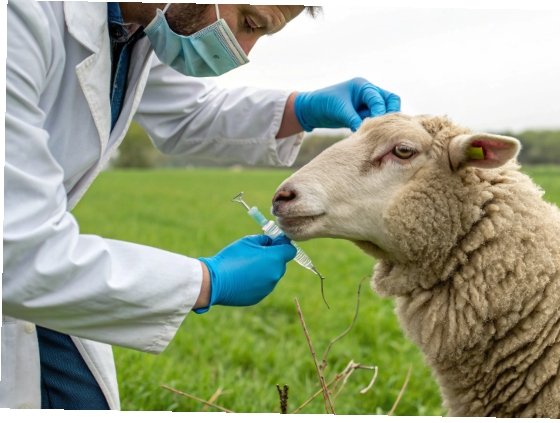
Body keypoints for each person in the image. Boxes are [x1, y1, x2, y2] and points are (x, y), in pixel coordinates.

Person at [3, 1, 401, 410]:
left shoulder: (135, 28)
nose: (244, 51)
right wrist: (207, 281)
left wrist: (301, 110)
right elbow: (15, 252)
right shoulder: (18, 19)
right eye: (250, 23)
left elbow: (187, 114)